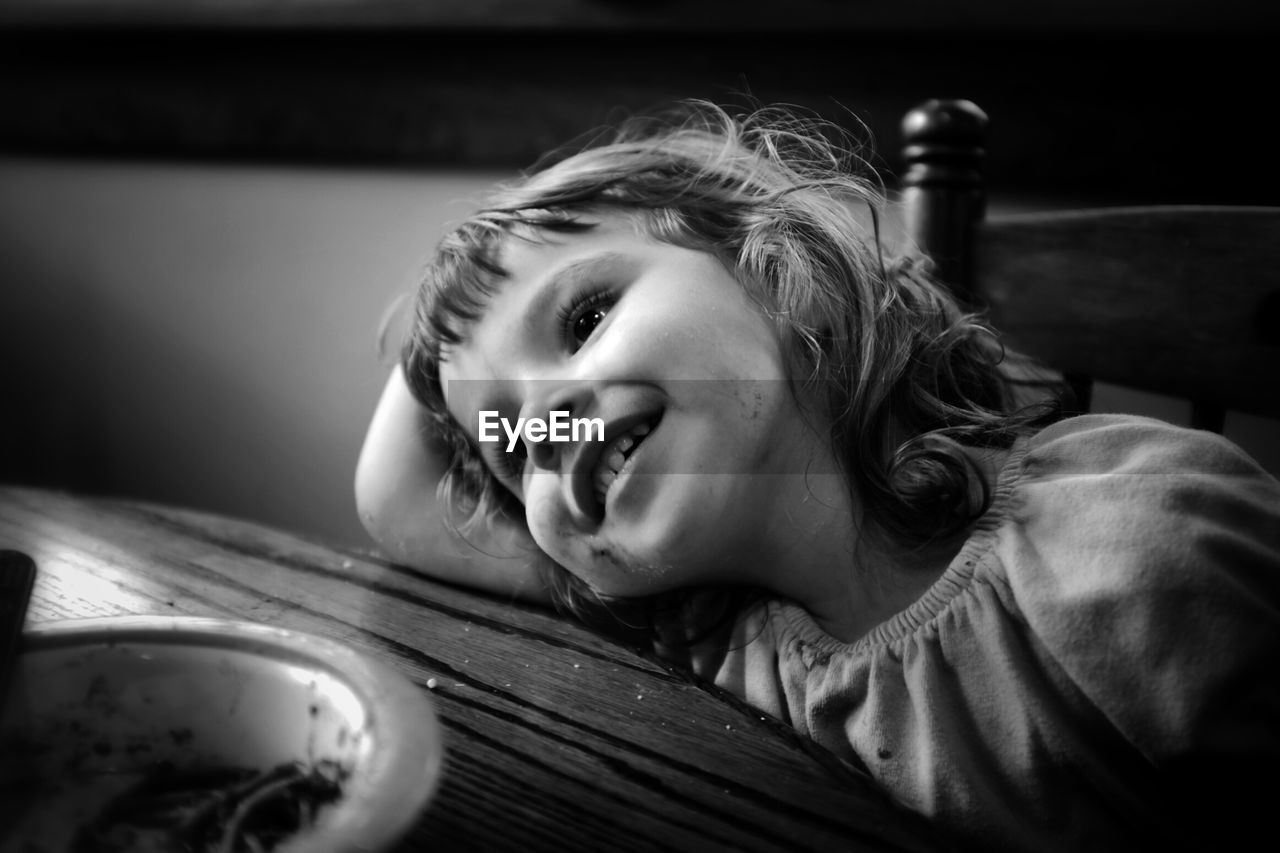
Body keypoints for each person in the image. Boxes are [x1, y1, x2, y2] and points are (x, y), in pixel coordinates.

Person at [355, 102, 1280, 851]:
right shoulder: (706, 634)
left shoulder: (1134, 535)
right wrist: (446, 331)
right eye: (514, 442)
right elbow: (396, 504)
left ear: (768, 260)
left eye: (587, 315)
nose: (553, 423)